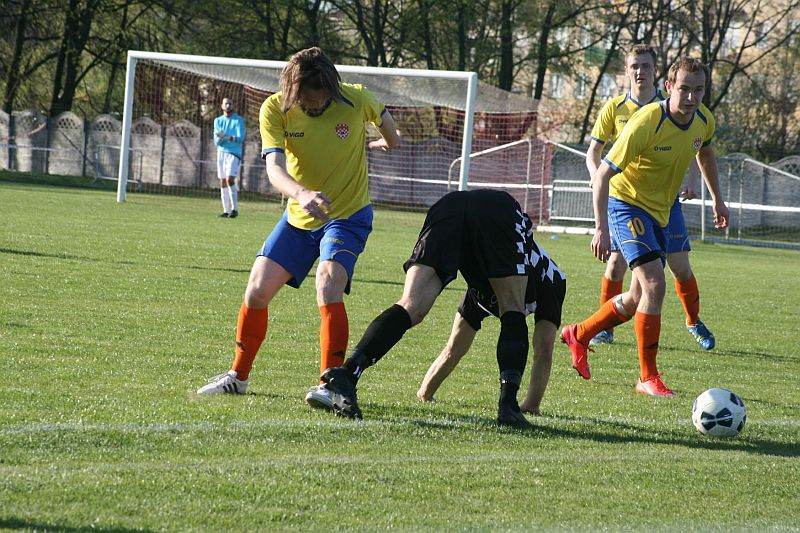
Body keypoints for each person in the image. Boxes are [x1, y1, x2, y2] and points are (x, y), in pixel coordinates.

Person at [197, 47, 400, 399]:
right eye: (309, 102)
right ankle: (238, 377)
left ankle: (331, 386)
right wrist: (302, 194)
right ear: (293, 91)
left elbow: (394, 135)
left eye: (322, 102)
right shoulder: (275, 108)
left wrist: (383, 140)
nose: (316, 108)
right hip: (298, 216)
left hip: (347, 215)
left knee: (327, 283)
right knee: (257, 291)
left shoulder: (358, 99)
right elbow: (274, 169)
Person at [561, 57, 730, 397]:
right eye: (684, 89)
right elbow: (604, 175)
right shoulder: (647, 121)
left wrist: (717, 198)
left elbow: (706, 153)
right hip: (627, 205)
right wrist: (600, 228)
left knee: (638, 295)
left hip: (664, 210)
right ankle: (647, 377)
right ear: (669, 87)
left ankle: (578, 333)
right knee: (654, 285)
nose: (691, 97)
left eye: (698, 90)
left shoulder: (703, 120)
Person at [321, 189, 542, 428]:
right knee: (513, 310)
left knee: (410, 305)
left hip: (448, 206)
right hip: (498, 209)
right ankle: (508, 405)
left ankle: (348, 372)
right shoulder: (549, 275)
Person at [585, 44, 715, 351]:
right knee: (624, 269)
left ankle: (692, 321)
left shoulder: (678, 108)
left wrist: (694, 182)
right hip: (626, 200)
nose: (641, 71)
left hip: (665, 203)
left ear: (657, 72)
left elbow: (695, 148)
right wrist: (597, 186)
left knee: (665, 275)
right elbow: (596, 155)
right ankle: (607, 335)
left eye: (646, 66)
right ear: (627, 70)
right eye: (635, 66)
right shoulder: (617, 109)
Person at [416, 238, 566, 417]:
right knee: (455, 344)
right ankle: (425, 393)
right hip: (492, 278)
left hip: (545, 283)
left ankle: (531, 405)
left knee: (543, 347)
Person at [213, 97, 246, 218]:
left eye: (230, 104)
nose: (228, 106)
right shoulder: (217, 121)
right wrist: (228, 138)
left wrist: (226, 137)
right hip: (221, 153)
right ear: (222, 106)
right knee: (222, 180)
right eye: (226, 103)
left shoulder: (238, 120)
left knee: (230, 179)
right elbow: (217, 141)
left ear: (233, 106)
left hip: (233, 153)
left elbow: (240, 138)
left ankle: (235, 209)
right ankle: (226, 210)